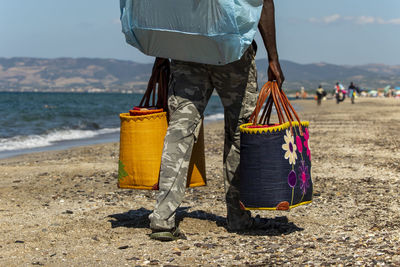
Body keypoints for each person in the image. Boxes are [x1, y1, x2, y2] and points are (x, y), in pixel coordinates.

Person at [148, 0, 285, 241]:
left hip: (187, 50)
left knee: (180, 131)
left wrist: (162, 51)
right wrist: (273, 57)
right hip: (231, 50)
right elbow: (263, 2)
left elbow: (169, 9)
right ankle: (238, 216)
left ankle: (163, 217)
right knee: (239, 133)